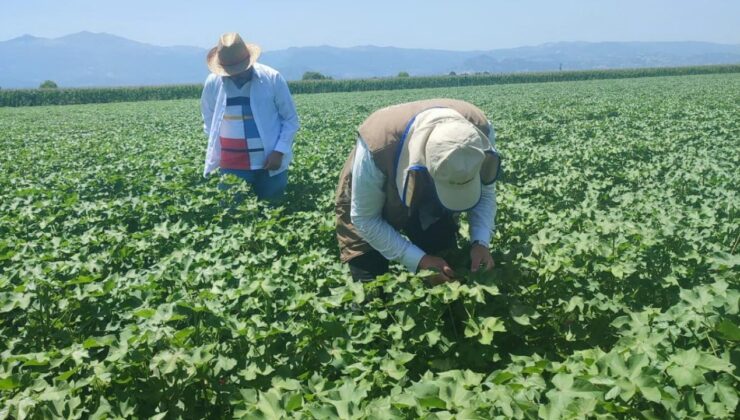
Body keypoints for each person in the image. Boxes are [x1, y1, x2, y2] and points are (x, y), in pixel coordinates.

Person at [335, 99, 501, 285]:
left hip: (429, 198)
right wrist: (419, 260)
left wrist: (480, 242)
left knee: (447, 273)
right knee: (371, 291)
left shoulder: (480, 132)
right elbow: (365, 219)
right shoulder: (379, 145)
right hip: (369, 200)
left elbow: (485, 192)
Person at [201, 32, 299, 201]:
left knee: (272, 215)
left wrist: (279, 151)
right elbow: (208, 117)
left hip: (269, 163)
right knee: (232, 215)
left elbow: (290, 119)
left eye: (240, 69)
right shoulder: (213, 83)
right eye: (231, 71)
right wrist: (219, 149)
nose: (236, 74)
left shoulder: (272, 78)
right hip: (231, 166)